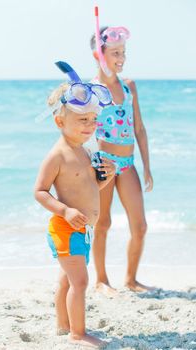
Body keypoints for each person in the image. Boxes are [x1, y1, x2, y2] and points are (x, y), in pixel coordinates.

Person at [34, 61, 115, 348]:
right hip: (65, 227)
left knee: (68, 281)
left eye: (93, 120)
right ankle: (77, 334)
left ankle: (62, 324)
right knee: (80, 282)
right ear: (60, 122)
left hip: (81, 230)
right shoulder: (57, 155)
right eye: (83, 120)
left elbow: (92, 188)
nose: (90, 126)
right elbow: (40, 191)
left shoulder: (84, 151)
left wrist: (110, 175)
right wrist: (65, 210)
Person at [89, 7, 154, 294]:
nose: (121, 58)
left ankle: (130, 279)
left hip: (127, 163)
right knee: (103, 222)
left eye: (123, 52)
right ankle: (102, 280)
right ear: (99, 55)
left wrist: (147, 166)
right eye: (115, 52)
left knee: (139, 226)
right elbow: (78, 132)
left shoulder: (129, 87)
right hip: (103, 162)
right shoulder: (89, 91)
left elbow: (139, 128)